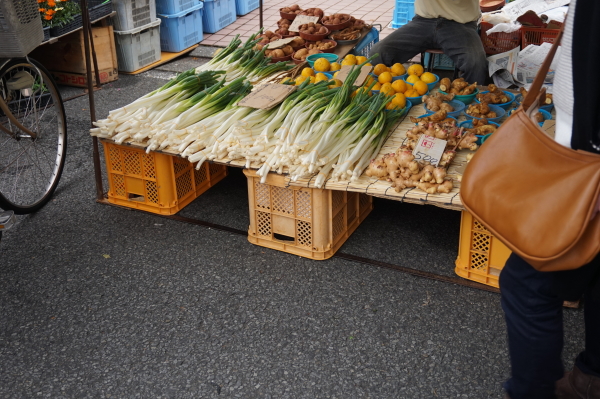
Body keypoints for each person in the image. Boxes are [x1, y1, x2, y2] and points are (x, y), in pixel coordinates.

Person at [499, 1, 600, 398]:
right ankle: (590, 377)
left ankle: (531, 392)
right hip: (582, 149)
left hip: (588, 162)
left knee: (529, 285)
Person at [368, 0, 487, 84]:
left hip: (461, 24)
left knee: (477, 65)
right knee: (378, 53)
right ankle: (386, 97)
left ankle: (469, 106)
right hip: (423, 21)